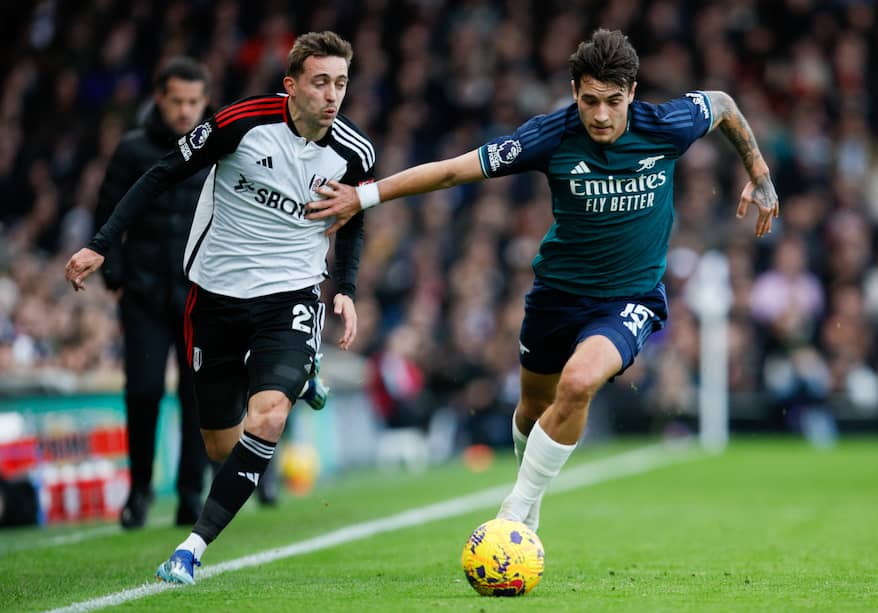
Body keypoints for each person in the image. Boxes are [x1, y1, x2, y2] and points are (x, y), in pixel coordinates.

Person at [309, 29, 779, 532]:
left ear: (633, 94)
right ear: (575, 91)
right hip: (556, 296)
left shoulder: (667, 126)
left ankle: (514, 514)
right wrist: (365, 197)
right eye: (590, 101)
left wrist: (760, 172)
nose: (601, 115)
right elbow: (453, 172)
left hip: (630, 296)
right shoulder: (550, 135)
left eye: (613, 102)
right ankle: (526, 499)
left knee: (578, 383)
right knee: (533, 408)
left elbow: (725, 104)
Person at [65, 31, 373, 583]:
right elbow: (161, 174)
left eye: (342, 84)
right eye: (321, 82)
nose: (333, 95)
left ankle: (191, 548)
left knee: (269, 415)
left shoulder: (354, 152)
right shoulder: (241, 123)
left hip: (291, 296)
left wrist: (344, 287)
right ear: (292, 85)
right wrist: (101, 243)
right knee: (221, 444)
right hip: (214, 297)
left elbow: (353, 217)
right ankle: (302, 379)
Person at [94, 57, 212, 529]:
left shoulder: (220, 148)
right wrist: (115, 278)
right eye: (177, 100)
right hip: (143, 295)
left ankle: (189, 495)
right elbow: (106, 215)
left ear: (205, 102)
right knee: (142, 392)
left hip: (201, 298)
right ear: (160, 98)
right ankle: (139, 490)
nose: (185, 111)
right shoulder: (132, 150)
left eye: (193, 102)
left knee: (196, 398)